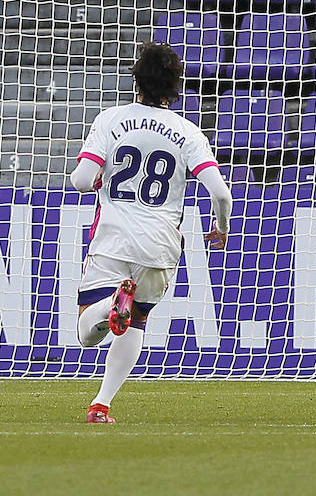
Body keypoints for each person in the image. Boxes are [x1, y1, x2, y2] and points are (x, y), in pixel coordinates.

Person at [69, 41, 234, 424]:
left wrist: (97, 180)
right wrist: (220, 227)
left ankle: (111, 306)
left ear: (136, 81)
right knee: (137, 322)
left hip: (114, 235)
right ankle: (101, 405)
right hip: (160, 244)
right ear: (175, 86)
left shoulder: (111, 119)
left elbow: (80, 180)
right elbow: (220, 193)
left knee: (86, 332)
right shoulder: (188, 132)